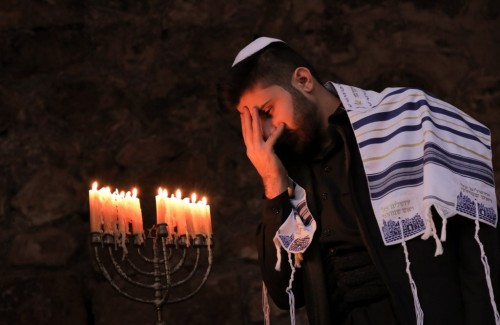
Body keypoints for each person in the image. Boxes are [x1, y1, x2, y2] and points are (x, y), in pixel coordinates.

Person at [219, 37, 500, 325]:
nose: (267, 133)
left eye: (267, 112)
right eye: (253, 124)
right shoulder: (286, 174)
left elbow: (476, 248)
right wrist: (273, 182)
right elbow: (287, 292)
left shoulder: (408, 120)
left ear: (303, 80)